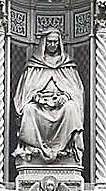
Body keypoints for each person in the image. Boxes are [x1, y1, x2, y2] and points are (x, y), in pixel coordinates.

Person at [13, 31, 85, 165]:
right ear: (44, 43)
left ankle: (68, 152)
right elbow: (24, 92)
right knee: (28, 109)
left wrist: (66, 96)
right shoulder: (34, 64)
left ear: (60, 43)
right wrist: (35, 96)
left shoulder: (67, 64)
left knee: (72, 108)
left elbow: (77, 90)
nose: (52, 45)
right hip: (40, 106)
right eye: (50, 41)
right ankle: (32, 150)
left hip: (61, 106)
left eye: (55, 42)